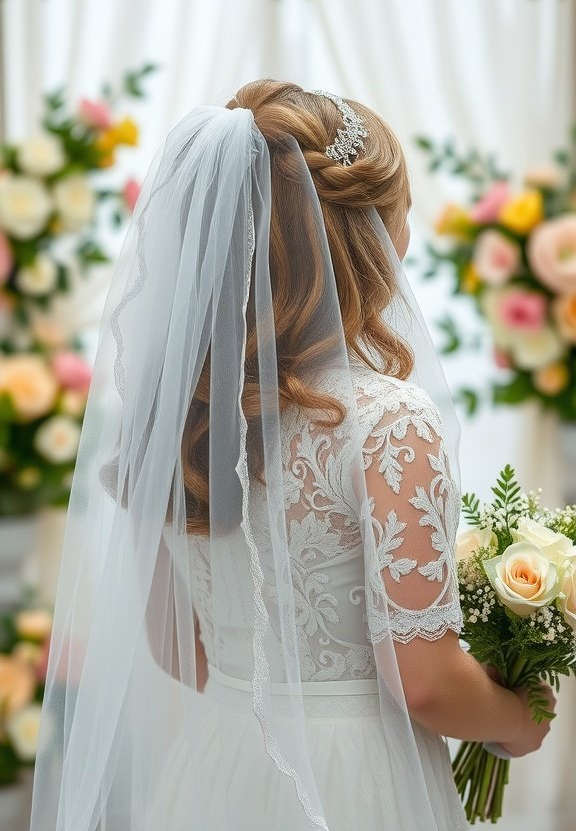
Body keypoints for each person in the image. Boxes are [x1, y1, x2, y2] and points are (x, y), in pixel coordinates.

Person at [30, 80, 554, 831]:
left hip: (219, 759)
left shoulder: (174, 410)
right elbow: (428, 685)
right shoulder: (387, 420)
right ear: (366, 235)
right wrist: (515, 717)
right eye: (400, 215)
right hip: (353, 782)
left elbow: (180, 651)